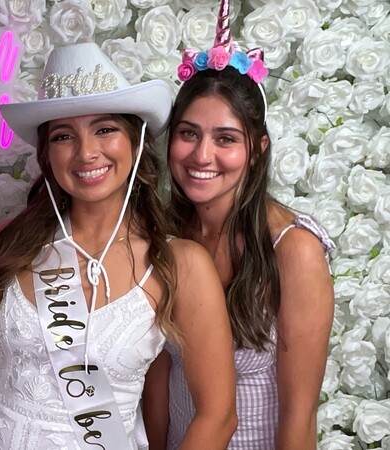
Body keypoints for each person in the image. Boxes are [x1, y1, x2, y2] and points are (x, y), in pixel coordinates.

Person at [0, 42, 237, 450]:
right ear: (47, 154)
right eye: (64, 136)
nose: (86, 152)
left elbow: (218, 415)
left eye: (105, 129)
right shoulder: (9, 242)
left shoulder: (181, 263)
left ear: (135, 141)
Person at [142, 1, 336, 449]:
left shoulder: (294, 249)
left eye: (225, 138)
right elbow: (157, 378)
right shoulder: (167, 234)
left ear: (258, 149)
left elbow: (300, 416)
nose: (201, 155)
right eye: (188, 133)